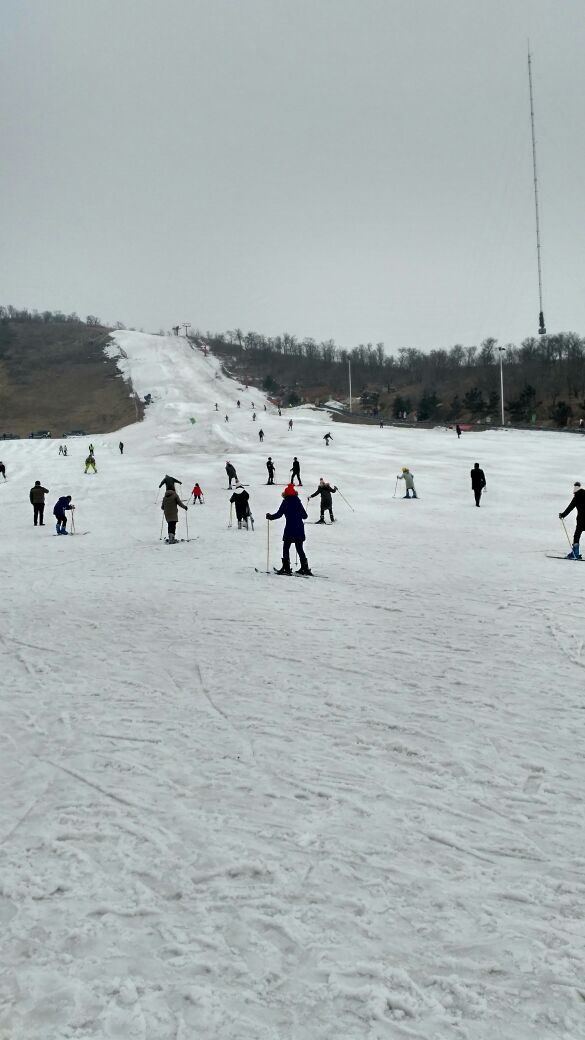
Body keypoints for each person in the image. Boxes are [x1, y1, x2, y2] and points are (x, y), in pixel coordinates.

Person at [266, 483, 312, 575]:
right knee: (299, 548)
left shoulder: (285, 502)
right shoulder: (298, 502)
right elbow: (305, 516)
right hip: (299, 529)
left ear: (286, 494)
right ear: (295, 493)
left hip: (290, 529)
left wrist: (270, 517)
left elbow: (278, 515)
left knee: (286, 547)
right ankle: (305, 568)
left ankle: (286, 568)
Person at [559, 482, 585, 559]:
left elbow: (570, 508)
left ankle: (575, 553)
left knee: (577, 536)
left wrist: (563, 515)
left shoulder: (576, 497)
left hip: (581, 520)